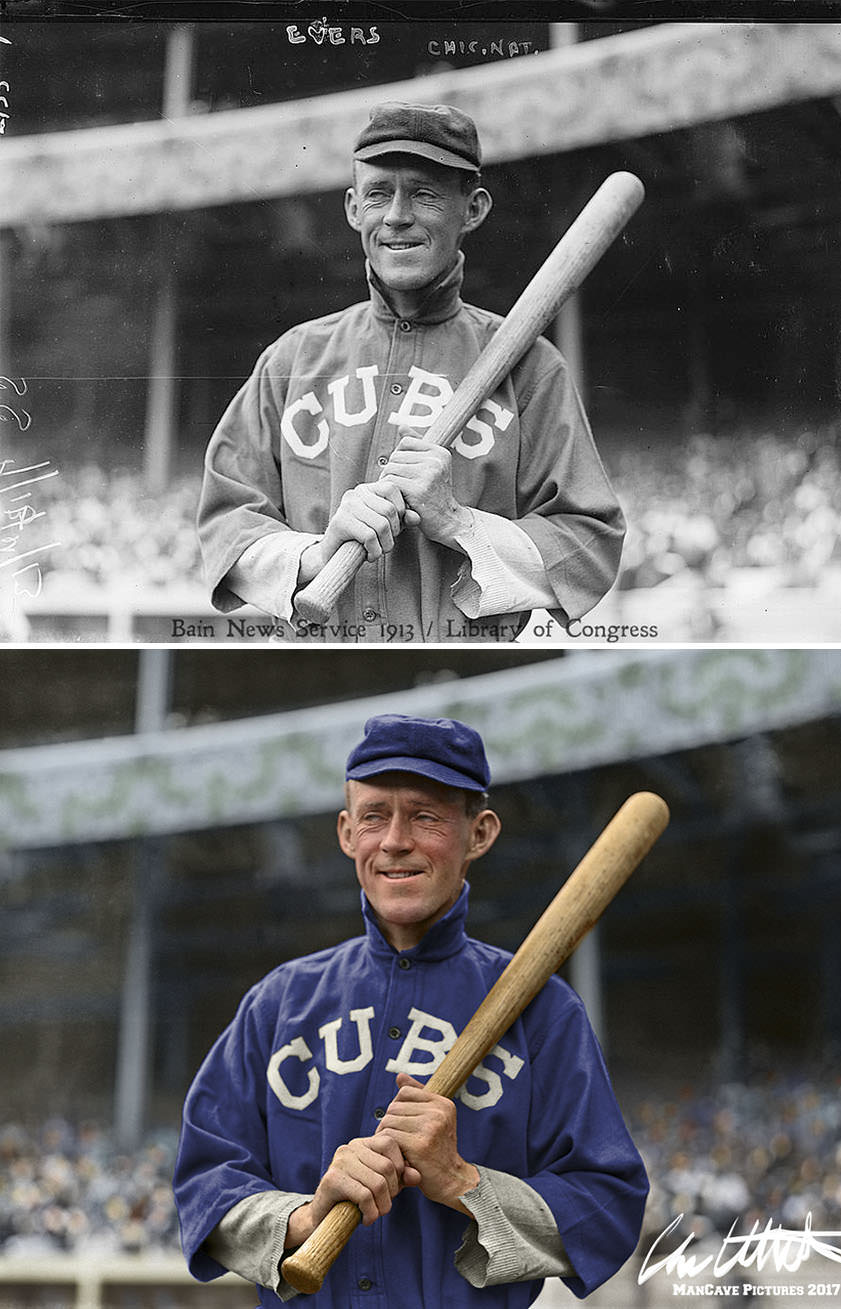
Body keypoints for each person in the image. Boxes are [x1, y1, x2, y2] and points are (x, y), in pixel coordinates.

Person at [173, 714, 648, 1306]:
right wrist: (306, 1216)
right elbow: (203, 1187)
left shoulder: (546, 1012)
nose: (395, 840)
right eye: (375, 816)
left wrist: (463, 1183)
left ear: (479, 834)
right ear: (347, 833)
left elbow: (609, 1205)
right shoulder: (280, 1002)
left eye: (425, 815)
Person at [197, 102, 625, 643]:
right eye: (379, 193)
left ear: (472, 209)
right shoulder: (292, 359)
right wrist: (317, 554)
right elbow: (226, 526)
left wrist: (458, 523)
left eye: (424, 193)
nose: (397, 215)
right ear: (354, 208)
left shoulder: (533, 367)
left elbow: (591, 545)